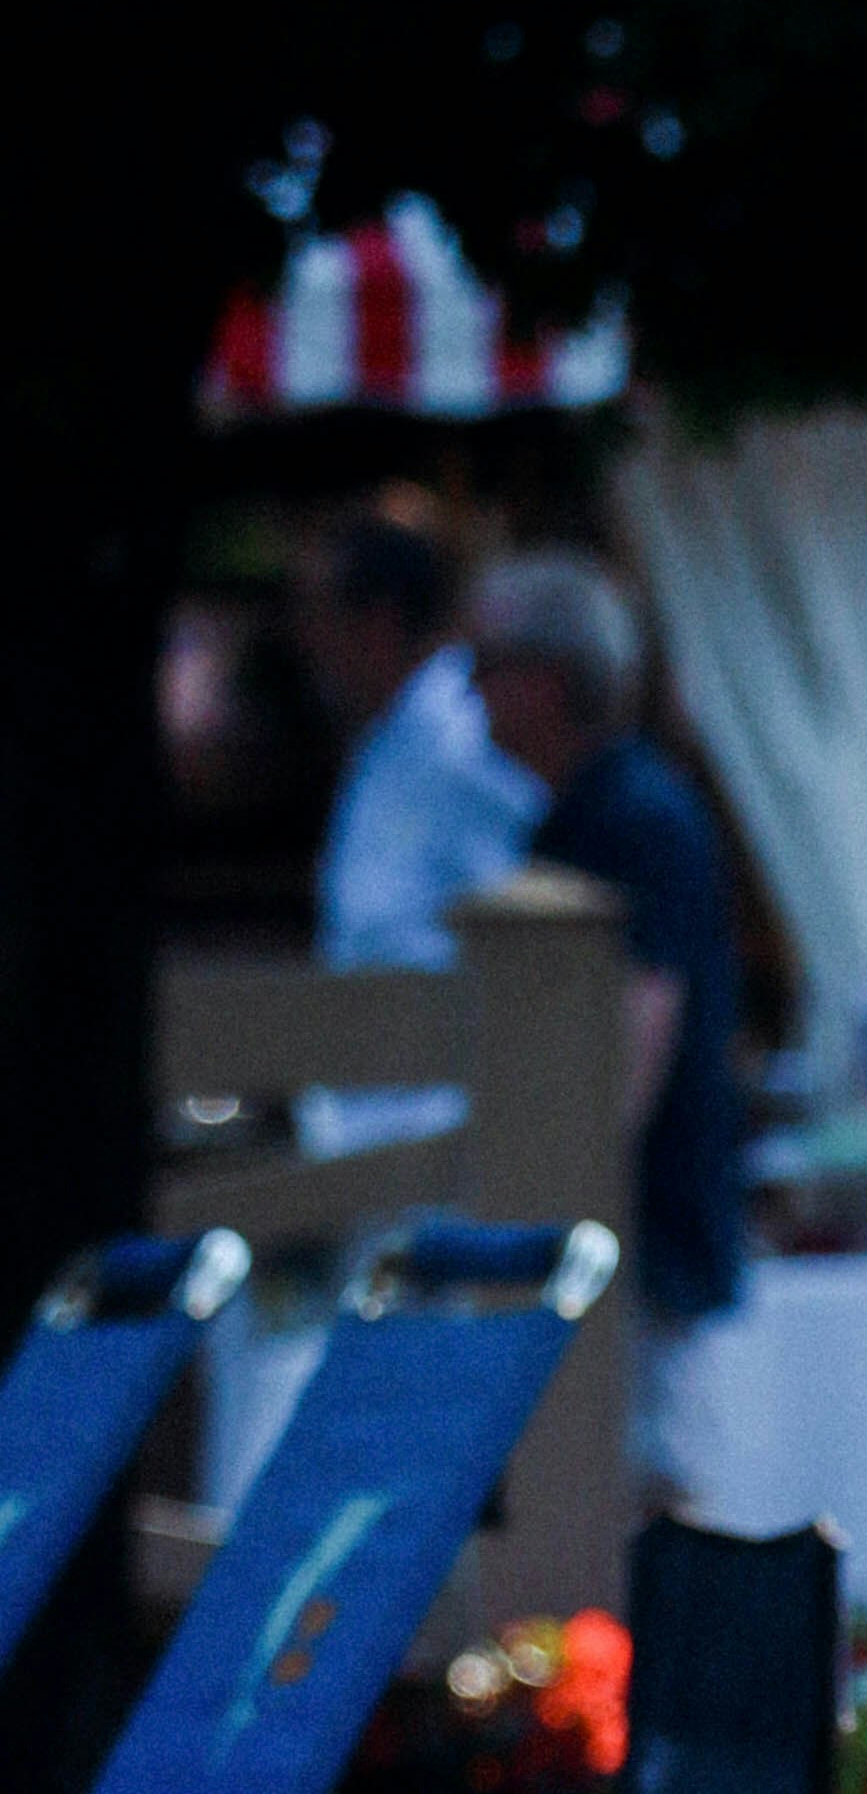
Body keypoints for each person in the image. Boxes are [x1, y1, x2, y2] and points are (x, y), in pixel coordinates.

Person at [467, 554, 746, 1472]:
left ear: (546, 680)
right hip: (608, 1226)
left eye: (487, 667)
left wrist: (563, 1181)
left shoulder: (633, 816)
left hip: (636, 1231)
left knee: (648, 1479)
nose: (471, 693)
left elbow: (639, 1024)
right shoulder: (594, 808)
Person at [296, 510, 542, 971]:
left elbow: (510, 903)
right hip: (372, 1006)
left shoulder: (467, 727)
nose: (307, 641)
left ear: (378, 624)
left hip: (443, 1009)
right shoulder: (386, 732)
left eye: (318, 615)